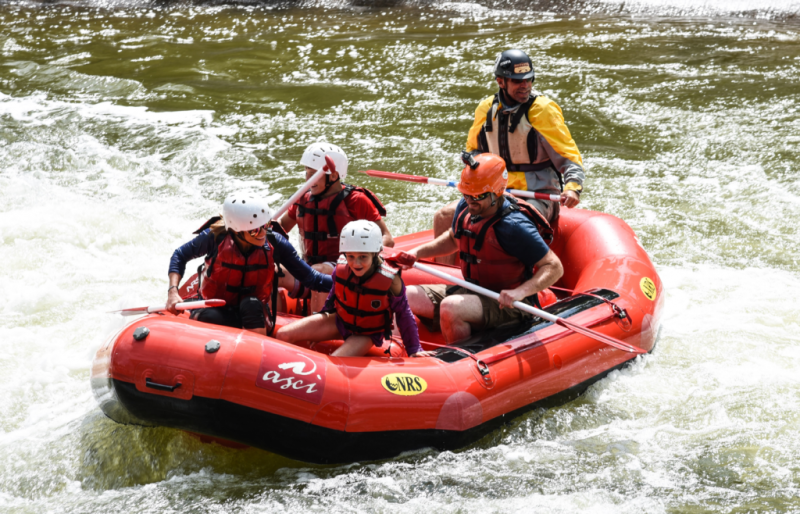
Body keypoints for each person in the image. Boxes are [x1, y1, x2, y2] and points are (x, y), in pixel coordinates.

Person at [432, 49, 585, 263]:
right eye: (517, 81)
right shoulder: (486, 109)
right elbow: (474, 152)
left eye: (529, 79)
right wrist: (472, 167)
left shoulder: (543, 110)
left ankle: (518, 285)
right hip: (495, 191)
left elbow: (570, 158)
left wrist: (572, 187)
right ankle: (446, 283)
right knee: (444, 216)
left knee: (511, 222)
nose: (525, 85)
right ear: (501, 81)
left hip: (536, 193)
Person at [394, 154, 564, 344]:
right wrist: (417, 253)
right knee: (403, 294)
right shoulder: (466, 207)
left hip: (511, 304)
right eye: (466, 194)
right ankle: (395, 352)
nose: (470, 201)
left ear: (497, 192)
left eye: (478, 196)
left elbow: (554, 266)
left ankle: (459, 362)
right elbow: (453, 239)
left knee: (451, 307)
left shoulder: (514, 226)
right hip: (473, 289)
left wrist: (520, 292)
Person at [167, 192, 333, 336]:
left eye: (265, 226)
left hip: (256, 315)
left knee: (251, 304)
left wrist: (349, 283)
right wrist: (173, 291)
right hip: (215, 309)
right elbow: (180, 255)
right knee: (210, 316)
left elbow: (312, 279)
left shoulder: (275, 242)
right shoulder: (214, 237)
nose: (262, 233)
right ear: (236, 229)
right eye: (254, 230)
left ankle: (256, 359)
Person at [275, 220, 431, 357]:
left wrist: (414, 348)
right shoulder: (341, 268)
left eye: (363, 257)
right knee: (283, 335)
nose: (356, 263)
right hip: (340, 320)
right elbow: (332, 298)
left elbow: (404, 313)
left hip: (366, 333)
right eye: (351, 256)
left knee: (333, 363)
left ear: (375, 253)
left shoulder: (391, 280)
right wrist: (320, 327)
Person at [277, 143, 395, 312]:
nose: (307, 180)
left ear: (333, 176)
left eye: (313, 175)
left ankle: (315, 333)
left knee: (321, 270)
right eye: (307, 173)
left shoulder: (356, 200)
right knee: (273, 271)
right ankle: (270, 327)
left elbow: (388, 239)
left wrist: (362, 255)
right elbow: (280, 229)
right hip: (308, 268)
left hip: (345, 271)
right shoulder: (302, 199)